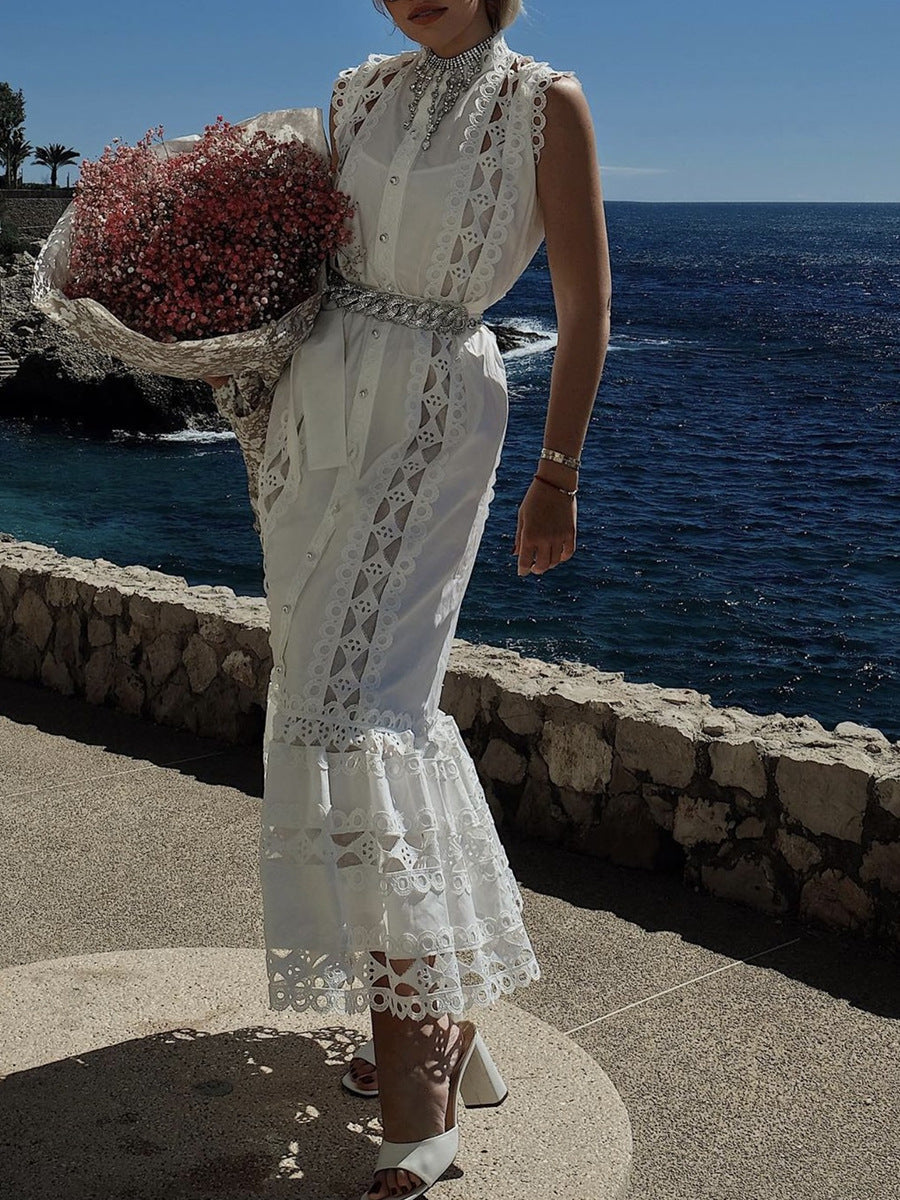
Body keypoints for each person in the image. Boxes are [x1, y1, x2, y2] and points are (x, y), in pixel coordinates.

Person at [212, 2, 610, 1196]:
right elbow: (302, 260)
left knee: (362, 715)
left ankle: (416, 1063)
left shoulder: (546, 102)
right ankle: (443, 1016)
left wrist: (559, 475)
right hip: (313, 412)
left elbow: (585, 308)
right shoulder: (355, 92)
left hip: (435, 416)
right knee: (324, 707)